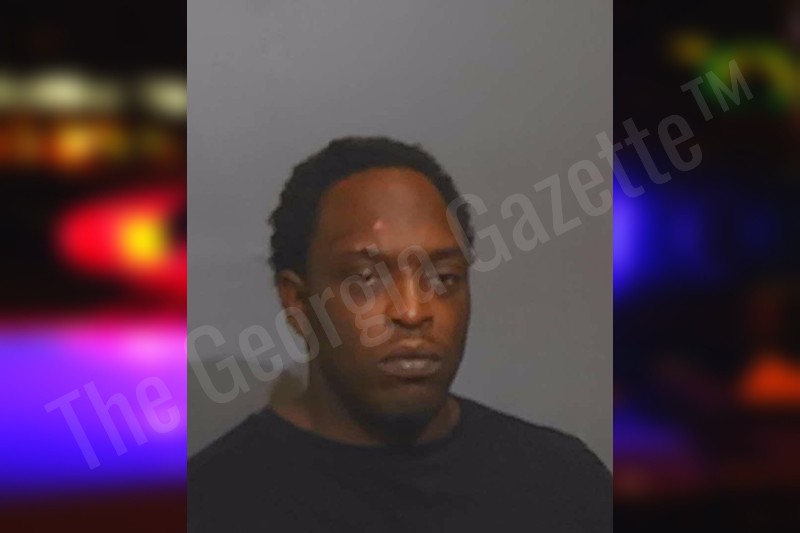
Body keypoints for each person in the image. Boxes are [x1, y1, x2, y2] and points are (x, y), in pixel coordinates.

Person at [188, 136, 611, 532]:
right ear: (298, 302)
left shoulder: (565, 486)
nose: (412, 311)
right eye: (366, 280)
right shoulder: (210, 506)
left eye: (443, 278)